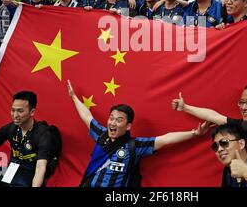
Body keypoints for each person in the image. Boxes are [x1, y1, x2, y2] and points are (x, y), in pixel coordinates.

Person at [67, 80, 208, 187]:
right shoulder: (101, 134)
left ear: (128, 126)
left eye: (119, 120)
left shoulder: (135, 145)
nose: (112, 123)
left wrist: (194, 133)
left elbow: (166, 139)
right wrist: (73, 97)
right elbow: (87, 116)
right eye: (111, 118)